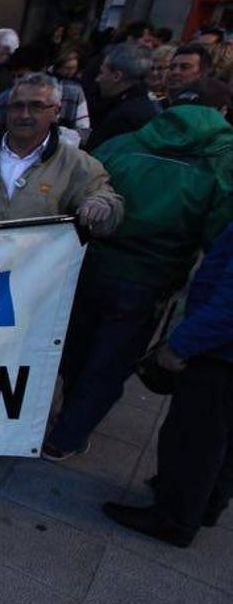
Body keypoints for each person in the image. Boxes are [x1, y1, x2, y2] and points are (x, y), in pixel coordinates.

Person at [45, 100, 233, 462]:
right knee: (111, 360)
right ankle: (67, 435)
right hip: (148, 280)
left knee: (73, 346)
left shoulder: (124, 144)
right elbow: (217, 233)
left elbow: (79, 188)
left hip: (92, 264)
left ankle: (66, 409)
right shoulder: (217, 165)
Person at [102, 222, 233, 547]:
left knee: (193, 438)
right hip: (221, 350)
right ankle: (206, 504)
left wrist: (180, 344)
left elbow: (228, 309)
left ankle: (173, 519)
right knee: (222, 436)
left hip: (219, 354)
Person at [0, 73, 122, 232]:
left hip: (34, 279)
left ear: (56, 112)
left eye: (36, 106)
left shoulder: (75, 164)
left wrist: (101, 204)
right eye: (17, 106)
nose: (24, 115)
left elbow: (106, 206)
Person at [83, 43, 161, 152]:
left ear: (117, 76)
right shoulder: (141, 103)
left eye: (101, 73)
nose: (97, 79)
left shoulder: (128, 116)